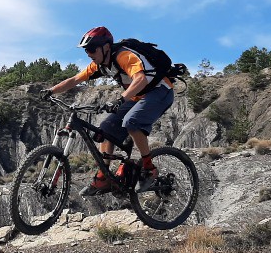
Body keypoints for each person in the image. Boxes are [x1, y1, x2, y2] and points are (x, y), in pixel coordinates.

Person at [43, 26, 175, 195]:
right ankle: (104, 177)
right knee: (104, 130)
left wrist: (120, 99)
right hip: (138, 96)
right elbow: (75, 79)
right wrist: (51, 90)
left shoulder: (124, 56)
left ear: (106, 47)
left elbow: (140, 79)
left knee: (131, 122)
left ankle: (149, 169)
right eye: (86, 51)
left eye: (91, 49)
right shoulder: (99, 65)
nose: (88, 54)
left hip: (160, 91)